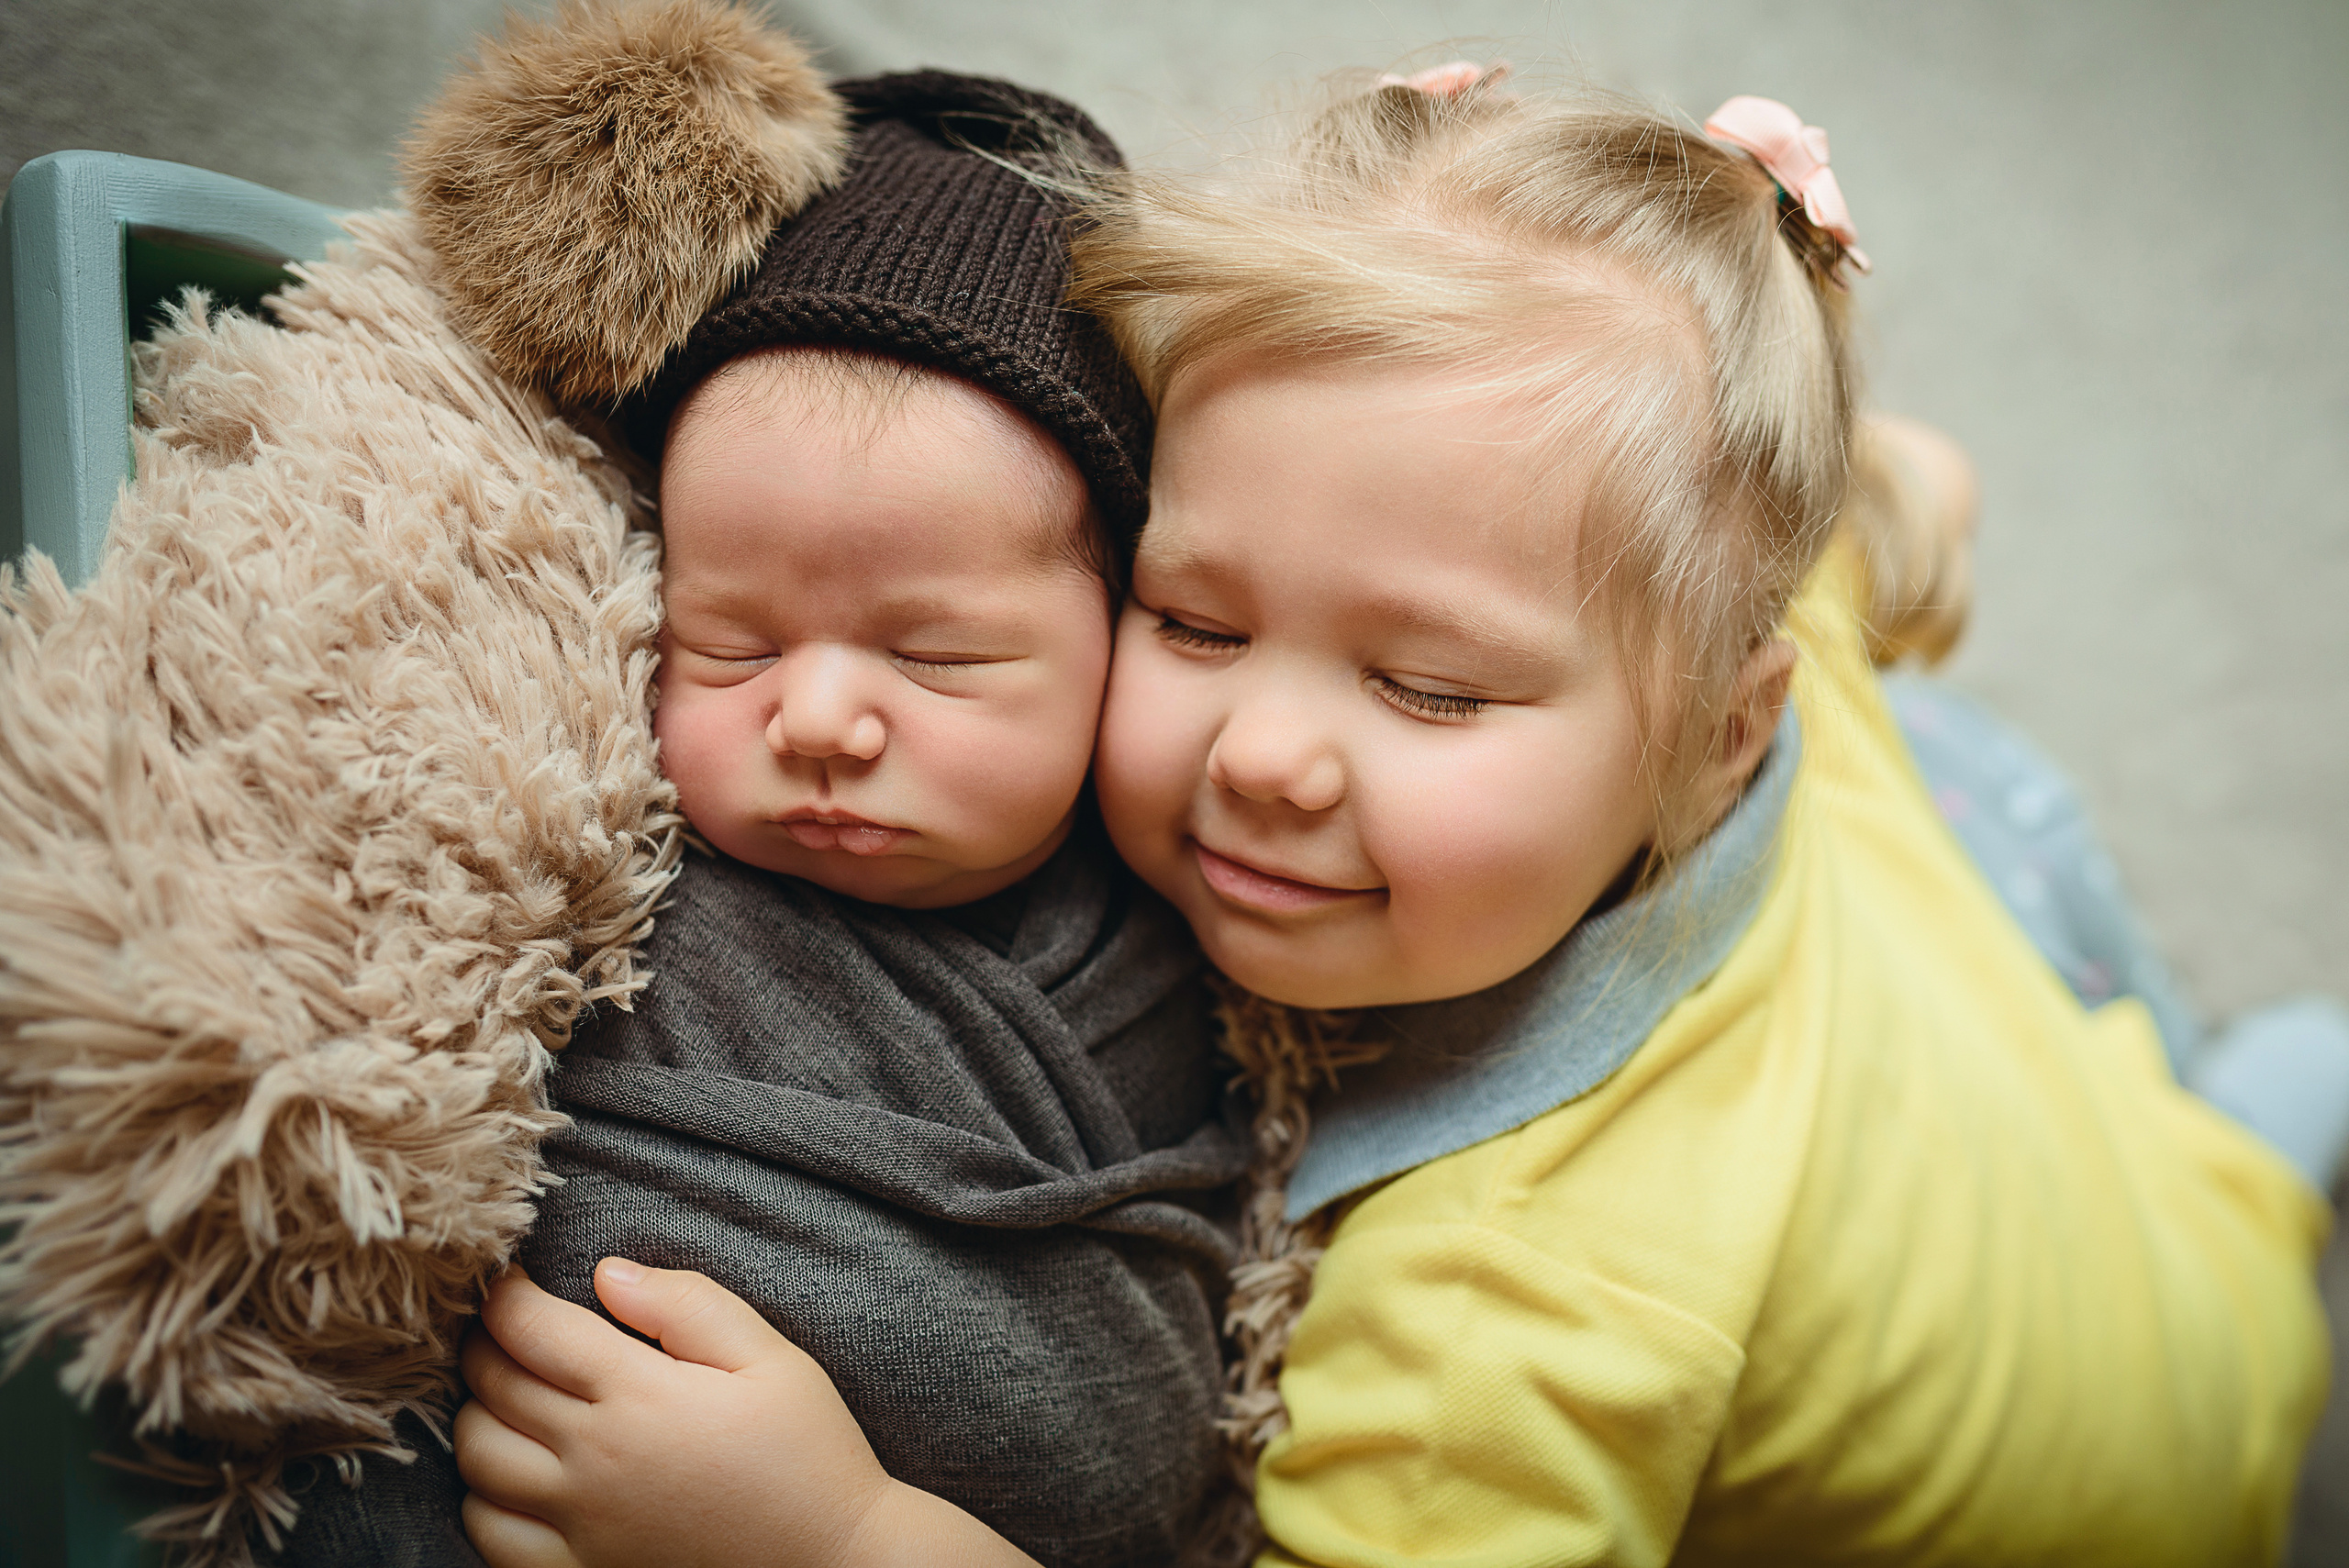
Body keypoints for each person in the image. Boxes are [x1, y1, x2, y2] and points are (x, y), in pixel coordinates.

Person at [451, 63, 2349, 1568]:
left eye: (1428, 689)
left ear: (1714, 734)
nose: (1260, 757)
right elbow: (1818, 533)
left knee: (2215, 1170)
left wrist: (836, 1535)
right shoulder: (1728, 628)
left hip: (2167, 1507)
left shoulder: (1513, 1308)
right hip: (2097, 1135)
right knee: (2200, 1088)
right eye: (1190, 615)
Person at [273, 10, 1242, 1568]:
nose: (822, 719)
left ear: (1123, 636)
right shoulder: (588, 882)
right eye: (732, 643)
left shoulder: (1188, 935)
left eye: (936, 657)